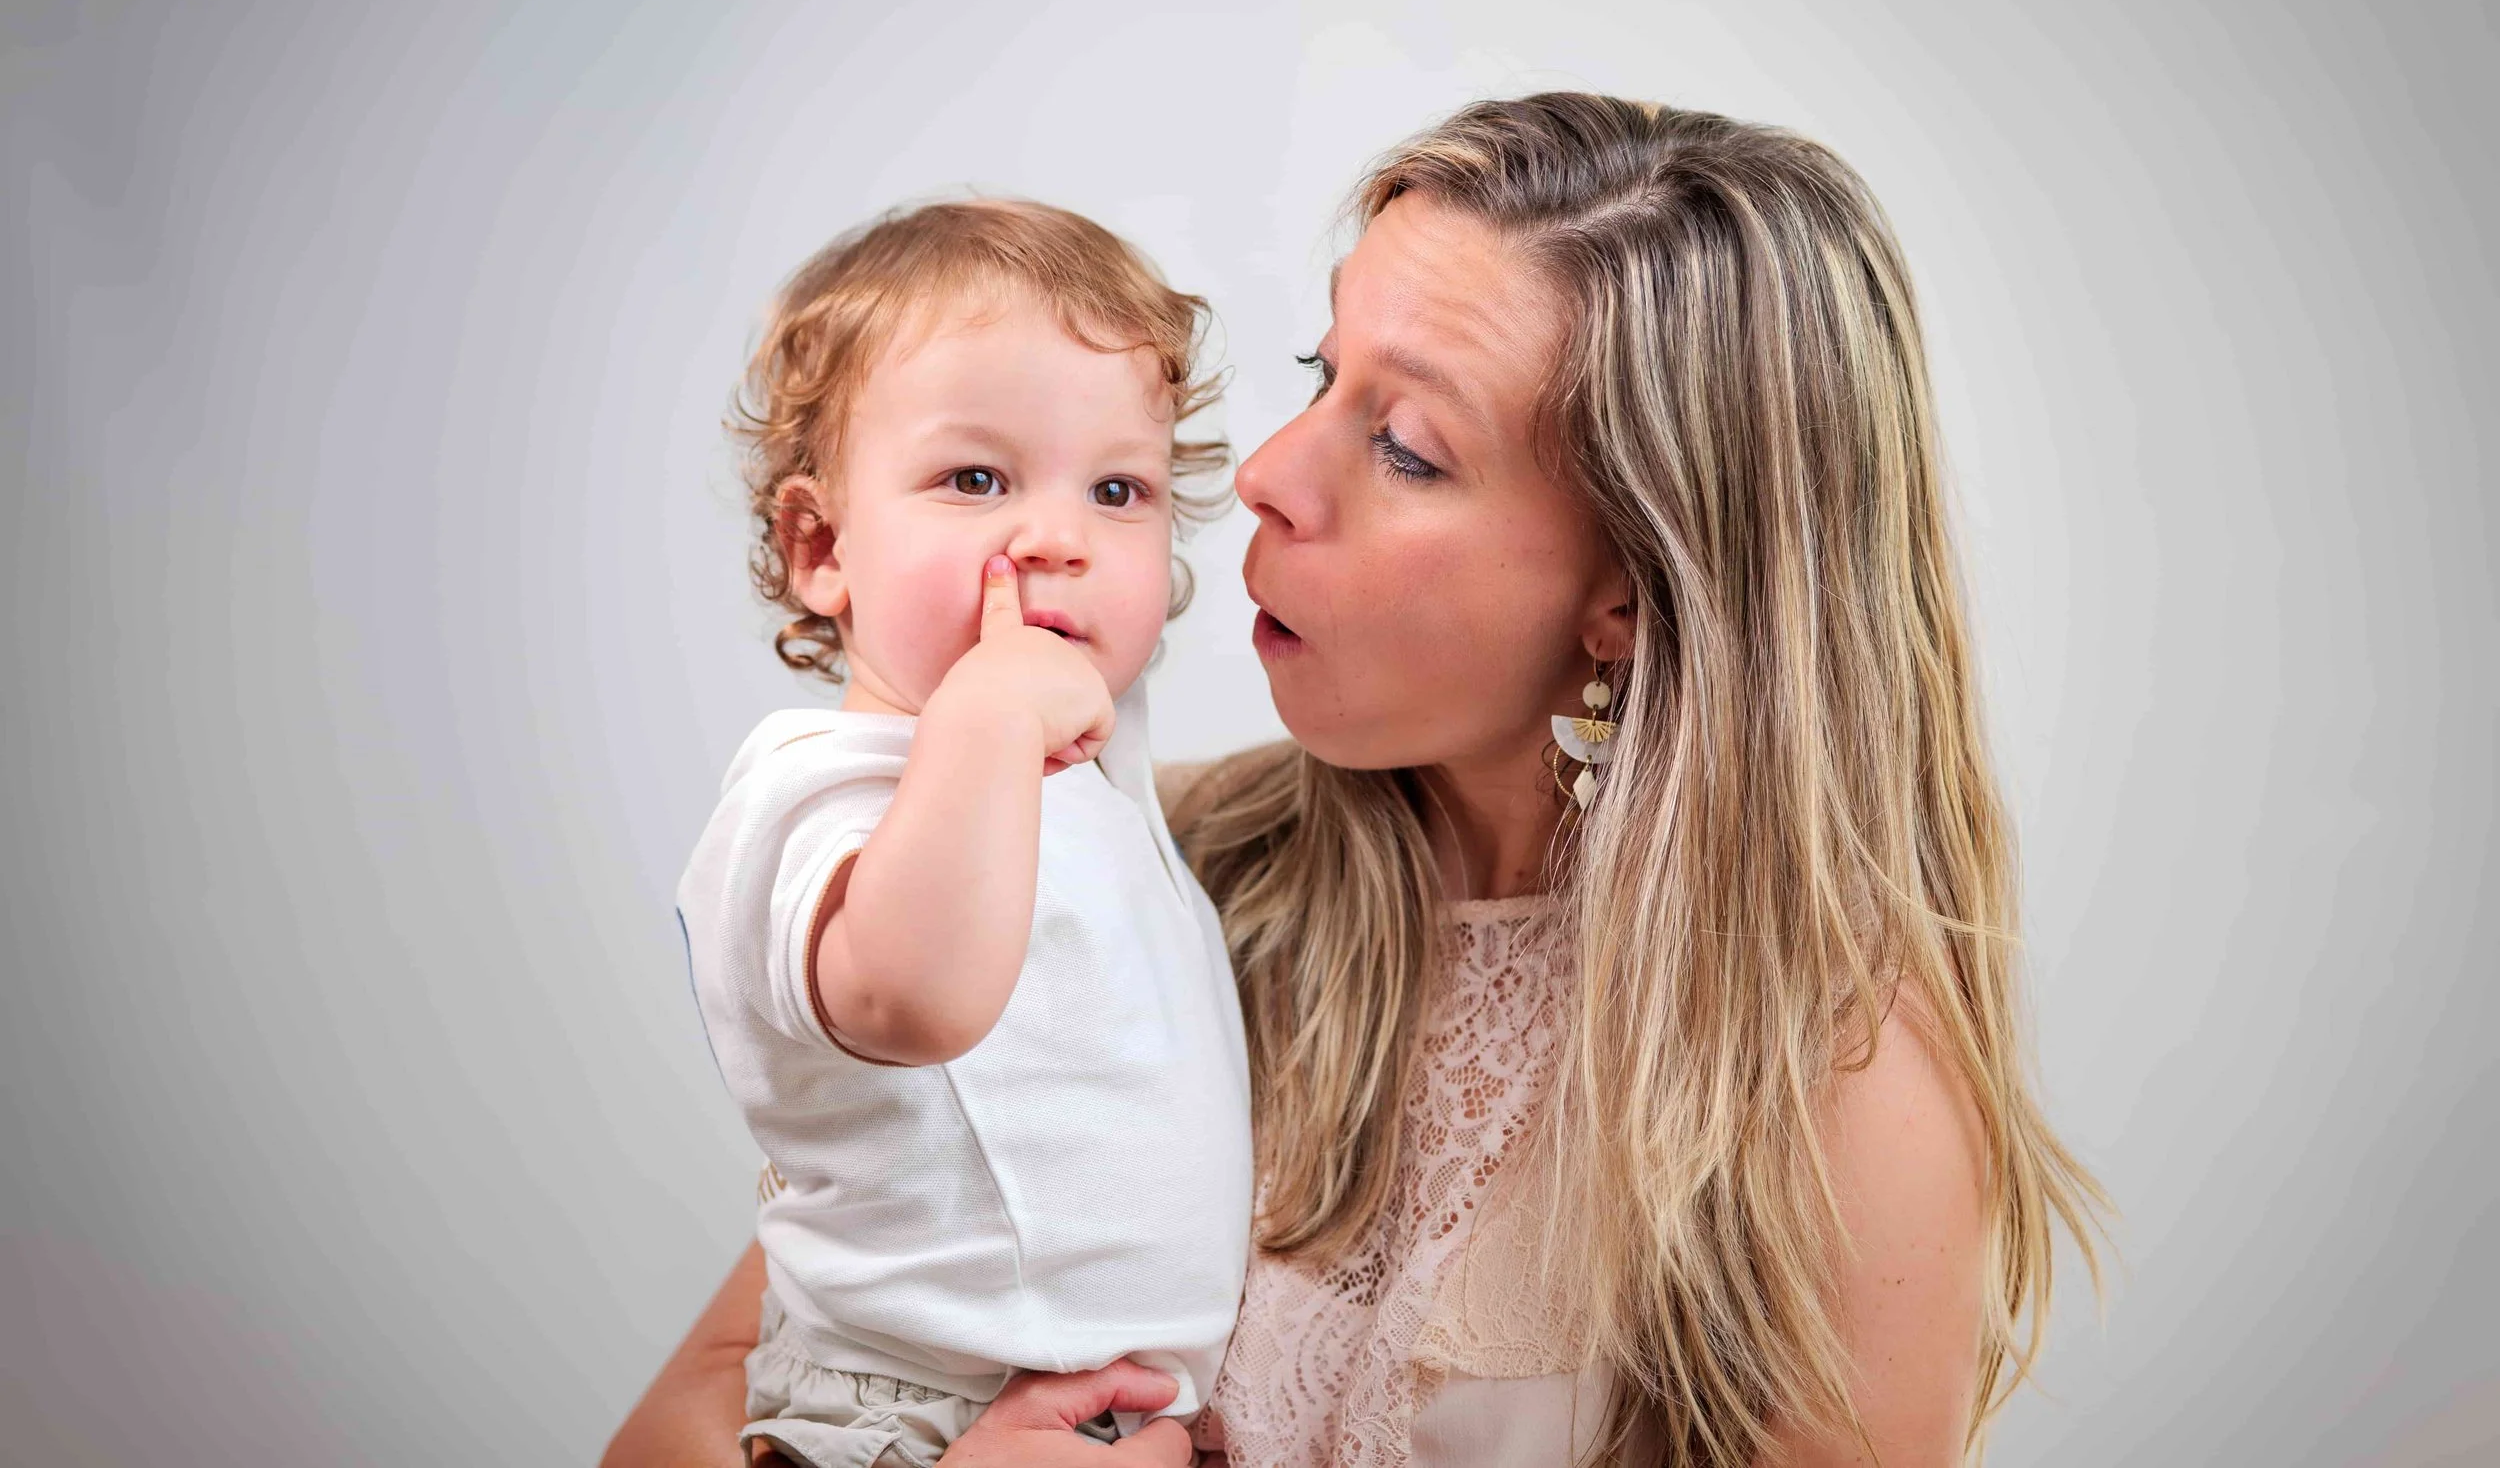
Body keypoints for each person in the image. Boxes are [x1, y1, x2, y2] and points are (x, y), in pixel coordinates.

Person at [609, 94, 2107, 1468]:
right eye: (1324, 374)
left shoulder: (1836, 1086)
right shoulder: (1155, 860)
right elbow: (704, 1404)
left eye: (1401, 445)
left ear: (1631, 598)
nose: (1260, 469)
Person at [671, 199, 1254, 1468]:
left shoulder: (1100, 782)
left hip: (1099, 1408)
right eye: (975, 479)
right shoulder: (815, 789)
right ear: (820, 545)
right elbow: (910, 996)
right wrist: (989, 709)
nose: (1055, 536)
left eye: (1119, 489)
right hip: (906, 1415)